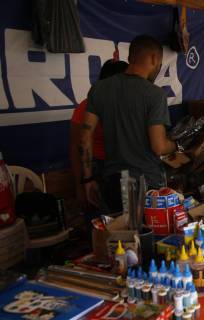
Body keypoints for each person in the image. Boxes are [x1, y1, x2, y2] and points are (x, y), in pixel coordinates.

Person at [80, 35, 177, 213]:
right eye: (160, 62)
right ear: (154, 58)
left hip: (113, 183)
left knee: (122, 237)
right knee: (148, 238)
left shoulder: (99, 89)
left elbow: (85, 137)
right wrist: (175, 145)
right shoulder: (154, 95)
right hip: (146, 185)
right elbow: (159, 147)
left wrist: (87, 179)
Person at [70, 59, 128, 213]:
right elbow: (76, 148)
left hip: (120, 171)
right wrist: (80, 186)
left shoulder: (126, 105)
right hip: (95, 171)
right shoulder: (86, 106)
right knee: (100, 223)